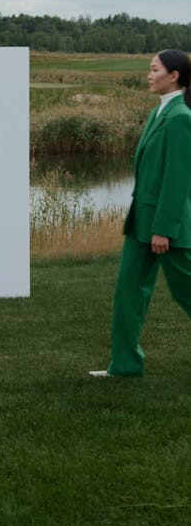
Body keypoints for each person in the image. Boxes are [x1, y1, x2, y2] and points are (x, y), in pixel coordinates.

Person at [90, 49, 191, 377]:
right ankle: (125, 365)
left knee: (185, 292)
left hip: (167, 227)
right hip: (140, 223)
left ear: (174, 75)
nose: (148, 75)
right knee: (128, 294)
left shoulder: (180, 118)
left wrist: (163, 228)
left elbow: (177, 180)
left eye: (154, 69)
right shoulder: (157, 114)